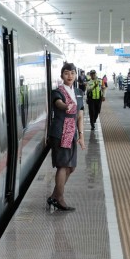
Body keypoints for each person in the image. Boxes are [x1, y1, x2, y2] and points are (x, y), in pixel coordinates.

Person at [47, 62, 84, 212]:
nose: (70, 76)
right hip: (60, 132)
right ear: (62, 75)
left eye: (72, 73)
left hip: (72, 132)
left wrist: (81, 135)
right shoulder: (57, 91)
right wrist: (65, 106)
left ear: (76, 75)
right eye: (67, 73)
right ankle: (59, 198)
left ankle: (54, 196)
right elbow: (58, 103)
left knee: (71, 167)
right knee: (63, 165)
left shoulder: (79, 92)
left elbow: (80, 116)